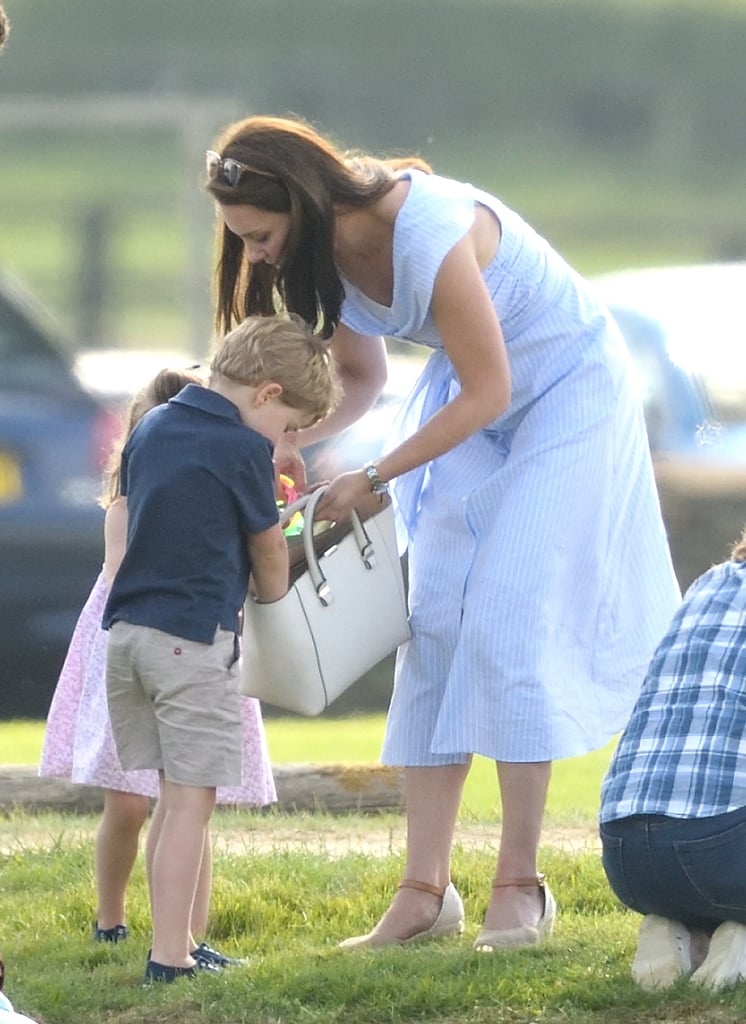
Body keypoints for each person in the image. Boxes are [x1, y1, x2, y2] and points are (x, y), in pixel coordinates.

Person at [204, 114, 680, 951]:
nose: (256, 255)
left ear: (303, 203)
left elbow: (493, 388)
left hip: (563, 395)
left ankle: (519, 884)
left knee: (504, 616)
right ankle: (424, 893)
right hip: (472, 402)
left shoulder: (425, 228)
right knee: (432, 623)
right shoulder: (325, 256)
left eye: (261, 235)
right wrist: (277, 445)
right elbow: (359, 377)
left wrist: (377, 475)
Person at [103, 314, 339, 983]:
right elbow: (267, 549)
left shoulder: (152, 425)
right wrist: (274, 590)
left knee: (170, 801)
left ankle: (173, 940)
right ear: (264, 394)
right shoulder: (241, 449)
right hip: (190, 641)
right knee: (191, 804)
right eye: (291, 425)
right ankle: (170, 957)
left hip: (128, 638)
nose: (288, 440)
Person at [39, 367, 277, 961]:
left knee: (189, 799)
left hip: (183, 636)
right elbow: (123, 572)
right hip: (141, 638)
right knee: (134, 799)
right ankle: (113, 917)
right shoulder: (127, 508)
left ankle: (187, 939)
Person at [600, 524, 746, 992]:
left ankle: (679, 928)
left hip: (627, 861)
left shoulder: (710, 582)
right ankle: (737, 937)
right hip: (719, 851)